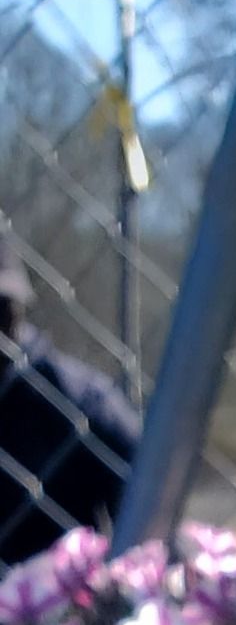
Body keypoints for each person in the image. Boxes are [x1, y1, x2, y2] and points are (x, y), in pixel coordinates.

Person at [0, 236, 139, 566]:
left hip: (57, 603)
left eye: (0, 309)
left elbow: (146, 514)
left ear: (20, 307)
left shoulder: (82, 400)